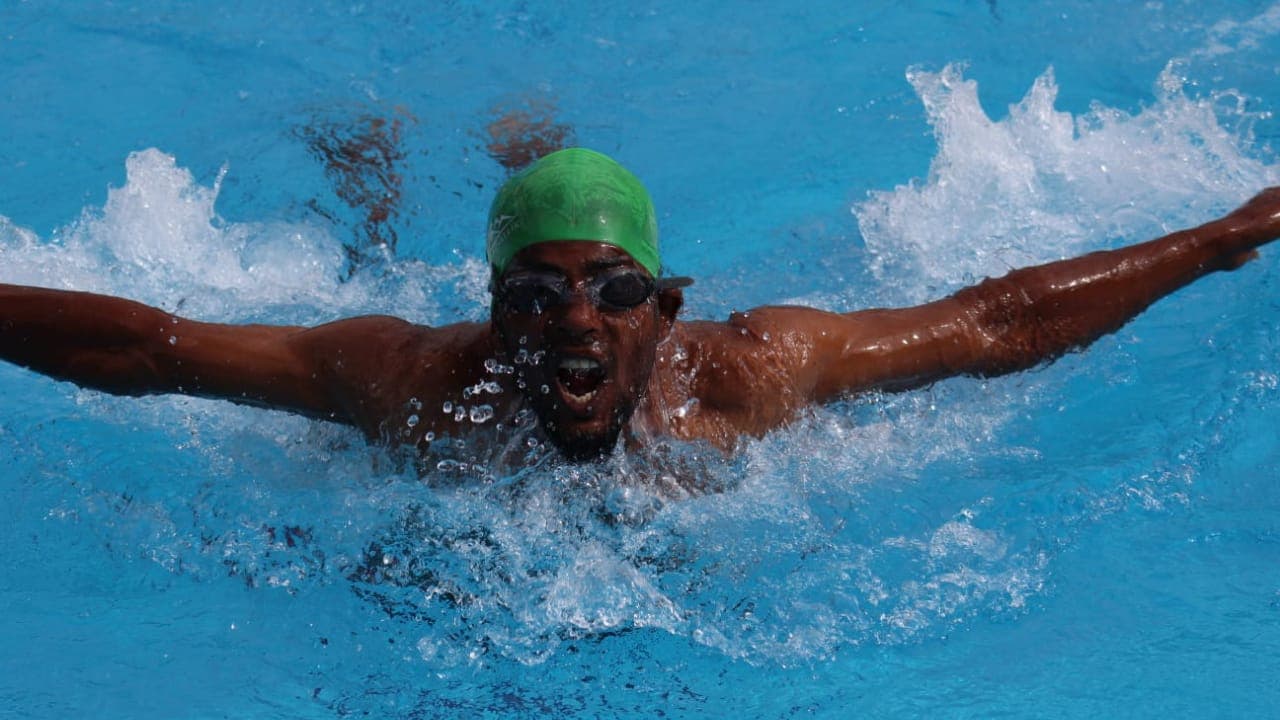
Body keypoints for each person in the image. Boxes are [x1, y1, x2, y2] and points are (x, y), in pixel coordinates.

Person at [1, 147, 1278, 465]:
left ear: (664, 306)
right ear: (491, 310)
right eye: (535, 293)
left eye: (612, 291)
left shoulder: (747, 371)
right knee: (359, 217)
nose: (574, 320)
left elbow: (993, 322)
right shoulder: (407, 379)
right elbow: (154, 348)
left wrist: (1224, 241)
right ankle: (365, 160)